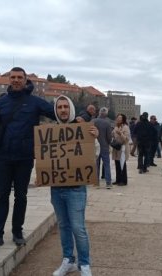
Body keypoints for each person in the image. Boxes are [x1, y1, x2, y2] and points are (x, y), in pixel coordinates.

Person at [0, 67, 56, 251]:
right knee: (2, 195)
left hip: (24, 156)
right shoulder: (0, 103)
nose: (16, 80)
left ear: (25, 80)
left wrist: (80, 119)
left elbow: (58, 114)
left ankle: (17, 232)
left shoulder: (36, 102)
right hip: (3, 156)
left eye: (19, 77)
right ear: (8, 80)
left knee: (21, 196)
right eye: (13, 77)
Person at [49, 95, 96, 276]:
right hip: (57, 188)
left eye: (65, 107)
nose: (62, 110)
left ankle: (84, 263)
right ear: (56, 110)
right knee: (63, 226)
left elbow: (95, 154)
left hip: (76, 188)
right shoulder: (50, 132)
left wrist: (94, 138)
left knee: (78, 227)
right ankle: (68, 259)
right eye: (59, 107)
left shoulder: (82, 129)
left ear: (71, 109)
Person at [93, 107, 113, 189]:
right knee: (106, 165)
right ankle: (108, 183)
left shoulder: (93, 121)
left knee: (96, 164)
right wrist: (109, 143)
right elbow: (109, 137)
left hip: (94, 146)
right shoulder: (107, 123)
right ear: (106, 114)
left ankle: (96, 183)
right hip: (104, 146)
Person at [111, 113, 130, 186]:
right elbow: (113, 135)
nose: (118, 119)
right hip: (116, 148)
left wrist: (120, 134)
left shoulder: (125, 127)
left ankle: (123, 181)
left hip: (122, 148)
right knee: (117, 164)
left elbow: (127, 139)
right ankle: (118, 179)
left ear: (123, 119)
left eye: (120, 118)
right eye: (117, 118)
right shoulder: (116, 127)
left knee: (122, 164)